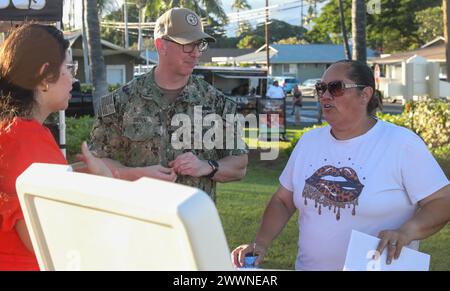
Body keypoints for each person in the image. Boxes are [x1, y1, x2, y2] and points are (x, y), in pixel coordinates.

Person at [231, 60, 450, 271]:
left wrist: (406, 232)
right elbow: (283, 201)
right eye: (321, 88)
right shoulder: (309, 142)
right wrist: (260, 243)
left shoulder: (401, 143)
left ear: (365, 94)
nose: (325, 95)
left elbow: (442, 201)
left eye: (335, 88)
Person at [89, 8, 248, 202]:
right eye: (187, 45)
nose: (196, 53)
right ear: (161, 45)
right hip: (139, 220)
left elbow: (239, 164)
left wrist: (207, 166)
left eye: (199, 45)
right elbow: (97, 160)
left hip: (194, 222)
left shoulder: (217, 103)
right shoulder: (119, 102)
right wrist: (135, 174)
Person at [0, 23, 111, 271]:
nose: (74, 80)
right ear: (45, 77)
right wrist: (104, 182)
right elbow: (52, 244)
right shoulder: (30, 142)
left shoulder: (11, 134)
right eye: (69, 68)